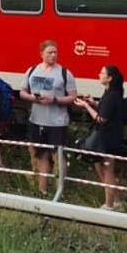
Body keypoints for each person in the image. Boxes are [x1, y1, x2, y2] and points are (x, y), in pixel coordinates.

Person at [20, 40, 76, 196]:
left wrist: (55, 100)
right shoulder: (32, 71)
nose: (53, 55)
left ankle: (60, 190)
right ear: (42, 54)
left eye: (55, 52)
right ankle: (42, 190)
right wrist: (32, 98)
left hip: (57, 122)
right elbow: (22, 92)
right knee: (40, 155)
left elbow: (72, 96)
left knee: (58, 156)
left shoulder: (64, 73)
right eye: (50, 52)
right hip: (37, 120)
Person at [77, 65, 126, 211]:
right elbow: (107, 109)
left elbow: (102, 119)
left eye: (102, 73)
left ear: (110, 78)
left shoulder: (111, 95)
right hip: (109, 136)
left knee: (107, 169)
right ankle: (116, 201)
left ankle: (109, 204)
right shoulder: (112, 93)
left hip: (107, 138)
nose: (99, 74)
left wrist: (87, 106)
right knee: (101, 167)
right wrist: (94, 103)